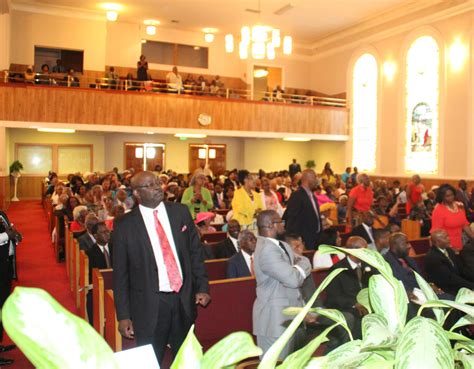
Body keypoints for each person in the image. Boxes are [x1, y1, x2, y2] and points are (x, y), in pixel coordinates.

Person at [112, 171, 210, 364]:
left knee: (185, 360)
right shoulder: (125, 225)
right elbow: (120, 274)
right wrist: (123, 315)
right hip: (148, 304)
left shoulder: (180, 212)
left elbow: (195, 254)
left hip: (182, 299)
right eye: (149, 185)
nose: (157, 187)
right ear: (137, 194)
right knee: (151, 360)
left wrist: (202, 287)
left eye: (157, 183)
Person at [253, 210, 312, 359]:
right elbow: (293, 279)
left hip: (286, 316)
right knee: (274, 364)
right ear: (270, 225)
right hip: (274, 319)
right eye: (280, 221)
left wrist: (298, 265)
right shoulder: (266, 250)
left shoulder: (281, 245)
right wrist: (300, 265)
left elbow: (300, 261)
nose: (284, 224)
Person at [384, 232, 449, 318]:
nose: (409, 246)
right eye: (406, 243)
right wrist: (404, 293)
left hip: (423, 294)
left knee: (452, 301)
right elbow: (388, 287)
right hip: (408, 301)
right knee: (438, 309)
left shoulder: (409, 260)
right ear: (394, 246)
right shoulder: (385, 263)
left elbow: (421, 279)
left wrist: (430, 285)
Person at [325, 236, 375, 341]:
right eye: (364, 250)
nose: (367, 253)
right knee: (354, 318)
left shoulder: (369, 266)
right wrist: (354, 304)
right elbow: (333, 297)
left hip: (368, 305)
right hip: (348, 307)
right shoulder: (338, 269)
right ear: (353, 251)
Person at [0, 210, 22, 366]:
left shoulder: (1, 214)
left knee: (2, 305)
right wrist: (8, 236)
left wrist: (16, 236)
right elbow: (6, 234)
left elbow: (10, 229)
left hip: (5, 264)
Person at [425, 229, 474, 295]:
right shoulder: (432, 257)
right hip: (445, 289)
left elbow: (462, 270)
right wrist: (471, 285)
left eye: (448, 236)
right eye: (445, 237)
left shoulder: (449, 250)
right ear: (437, 242)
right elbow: (450, 278)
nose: (449, 239)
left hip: (457, 284)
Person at [283, 169, 323, 250]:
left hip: (315, 238)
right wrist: (296, 241)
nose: (316, 181)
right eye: (315, 178)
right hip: (304, 240)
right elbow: (292, 220)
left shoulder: (312, 196)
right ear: (309, 179)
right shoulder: (297, 196)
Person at [431, 183, 474, 251]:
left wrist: (472, 236)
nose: (451, 197)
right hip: (446, 247)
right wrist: (450, 248)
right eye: (447, 196)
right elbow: (435, 233)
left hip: (459, 244)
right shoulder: (438, 210)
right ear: (442, 197)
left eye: (452, 194)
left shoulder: (459, 206)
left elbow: (465, 225)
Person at [85, 222, 113, 324]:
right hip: (100, 287)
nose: (107, 234)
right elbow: (90, 277)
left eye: (108, 231)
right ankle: (95, 329)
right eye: (103, 232)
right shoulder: (90, 253)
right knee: (91, 299)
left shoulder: (117, 248)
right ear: (96, 236)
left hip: (117, 285)